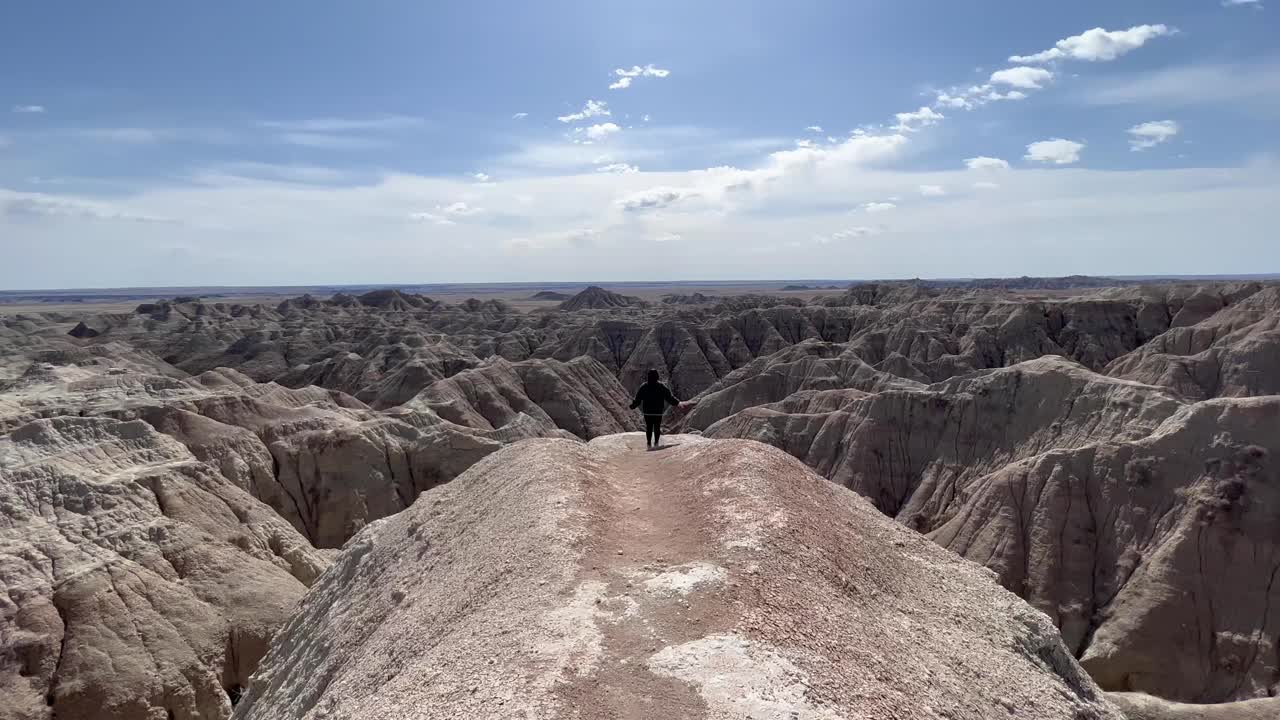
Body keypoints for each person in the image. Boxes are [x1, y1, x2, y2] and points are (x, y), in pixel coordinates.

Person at [630, 369, 680, 449]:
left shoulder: (644, 386)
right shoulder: (661, 386)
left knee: (649, 427)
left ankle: (649, 444)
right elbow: (669, 397)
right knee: (657, 427)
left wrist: (633, 405)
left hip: (647, 412)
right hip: (658, 411)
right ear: (657, 377)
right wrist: (677, 403)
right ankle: (656, 443)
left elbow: (638, 398)